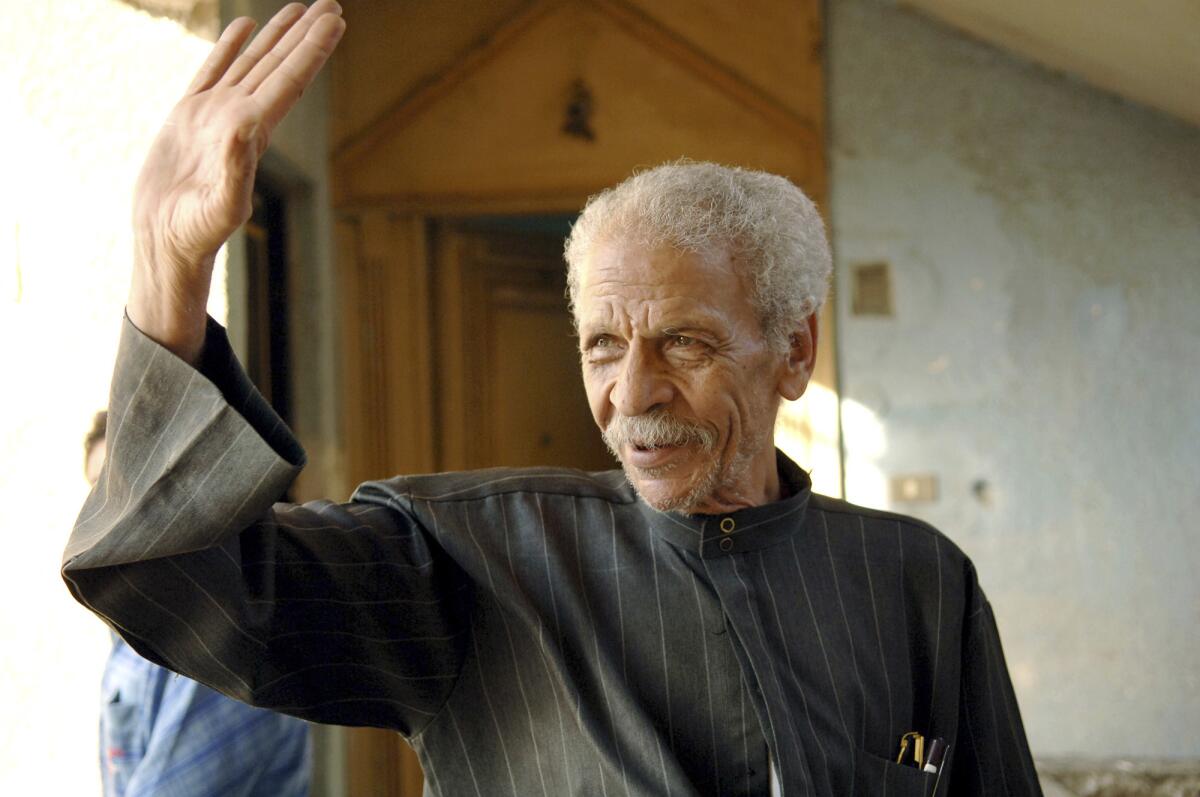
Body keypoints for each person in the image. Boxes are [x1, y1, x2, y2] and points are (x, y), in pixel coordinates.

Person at [64, 3, 1041, 794]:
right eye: (602, 346)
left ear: (795, 350)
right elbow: (169, 575)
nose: (632, 392)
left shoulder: (918, 580)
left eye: (685, 342)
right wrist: (169, 269)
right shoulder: (471, 558)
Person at [82, 412, 312, 797]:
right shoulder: (136, 628)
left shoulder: (220, 625)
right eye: (95, 492)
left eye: (119, 485)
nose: (105, 511)